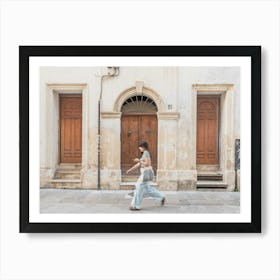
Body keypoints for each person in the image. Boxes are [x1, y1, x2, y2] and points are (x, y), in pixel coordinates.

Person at [126, 141, 165, 210]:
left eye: (140, 147)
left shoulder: (146, 153)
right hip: (144, 174)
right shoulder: (144, 154)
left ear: (143, 147)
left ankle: (136, 206)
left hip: (144, 174)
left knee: (139, 189)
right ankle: (161, 197)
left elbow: (147, 164)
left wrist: (139, 160)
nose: (139, 149)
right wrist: (130, 170)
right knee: (148, 189)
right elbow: (138, 165)